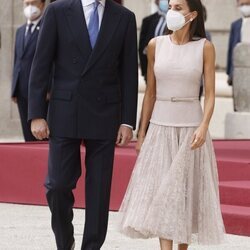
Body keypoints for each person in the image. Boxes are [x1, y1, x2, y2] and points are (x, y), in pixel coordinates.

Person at [28, 0, 138, 249]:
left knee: (99, 192)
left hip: (105, 113)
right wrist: (36, 113)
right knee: (57, 185)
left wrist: (127, 121)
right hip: (65, 112)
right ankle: (65, 241)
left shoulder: (124, 17)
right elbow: (41, 64)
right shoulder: (57, 10)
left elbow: (129, 73)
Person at [119, 0, 225, 250]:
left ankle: (182, 247)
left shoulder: (205, 47)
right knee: (163, 193)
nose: (172, 12)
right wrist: (141, 132)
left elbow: (209, 94)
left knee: (185, 192)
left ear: (192, 15)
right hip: (160, 125)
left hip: (191, 126)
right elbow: (150, 92)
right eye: (170, 7)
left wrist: (204, 126)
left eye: (178, 8)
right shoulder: (155, 45)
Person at [11, 0, 47, 141]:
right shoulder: (20, 31)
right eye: (26, 4)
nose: (29, 7)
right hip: (21, 90)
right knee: (27, 134)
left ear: (42, 4)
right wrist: (14, 89)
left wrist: (49, 88)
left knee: (42, 134)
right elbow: (17, 61)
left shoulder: (47, 28)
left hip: (41, 92)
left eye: (33, 3)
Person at [139, 0, 169, 82]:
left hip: (168, 70)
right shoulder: (148, 20)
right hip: (150, 69)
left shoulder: (176, 20)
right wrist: (145, 71)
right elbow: (141, 46)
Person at [227, 0, 250, 86]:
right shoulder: (235, 25)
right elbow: (230, 50)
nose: (245, 7)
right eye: (242, 4)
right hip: (238, 69)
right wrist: (229, 73)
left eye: (248, 4)